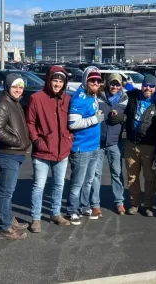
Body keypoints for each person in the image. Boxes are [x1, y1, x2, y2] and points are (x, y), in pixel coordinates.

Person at [27, 66, 72, 232]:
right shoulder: (36, 98)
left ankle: (55, 213)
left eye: (61, 81)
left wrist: (69, 139)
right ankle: (36, 218)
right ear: (49, 80)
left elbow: (71, 122)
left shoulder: (67, 99)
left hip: (62, 150)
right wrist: (37, 140)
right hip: (42, 151)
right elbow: (30, 123)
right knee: (39, 186)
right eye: (55, 80)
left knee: (59, 184)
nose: (57, 84)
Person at [0, 73, 31, 240]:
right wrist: (18, 141)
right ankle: (4, 228)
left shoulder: (14, 102)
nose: (18, 90)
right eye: (15, 86)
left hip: (15, 153)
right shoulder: (1, 103)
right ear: (7, 86)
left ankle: (8, 220)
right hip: (8, 153)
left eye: (20, 87)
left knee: (9, 191)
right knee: (6, 192)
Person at [67, 66, 104, 225]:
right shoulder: (79, 98)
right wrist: (95, 119)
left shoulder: (93, 95)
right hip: (81, 148)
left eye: (98, 80)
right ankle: (72, 210)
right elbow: (73, 123)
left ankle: (84, 206)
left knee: (88, 181)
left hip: (95, 146)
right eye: (92, 80)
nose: (95, 83)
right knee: (77, 183)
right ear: (86, 80)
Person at [123, 74, 156, 216]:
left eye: (151, 86)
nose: (148, 88)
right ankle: (134, 204)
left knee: (149, 177)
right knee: (132, 177)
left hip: (149, 145)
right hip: (131, 143)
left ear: (155, 87)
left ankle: (149, 205)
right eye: (146, 85)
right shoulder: (133, 96)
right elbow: (123, 92)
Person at [95, 73, 128, 215]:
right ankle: (95, 204)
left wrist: (123, 117)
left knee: (117, 173)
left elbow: (131, 115)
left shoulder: (125, 99)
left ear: (121, 85)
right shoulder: (98, 96)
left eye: (117, 84)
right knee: (95, 174)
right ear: (107, 83)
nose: (114, 86)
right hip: (98, 142)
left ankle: (119, 202)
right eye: (112, 83)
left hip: (115, 142)